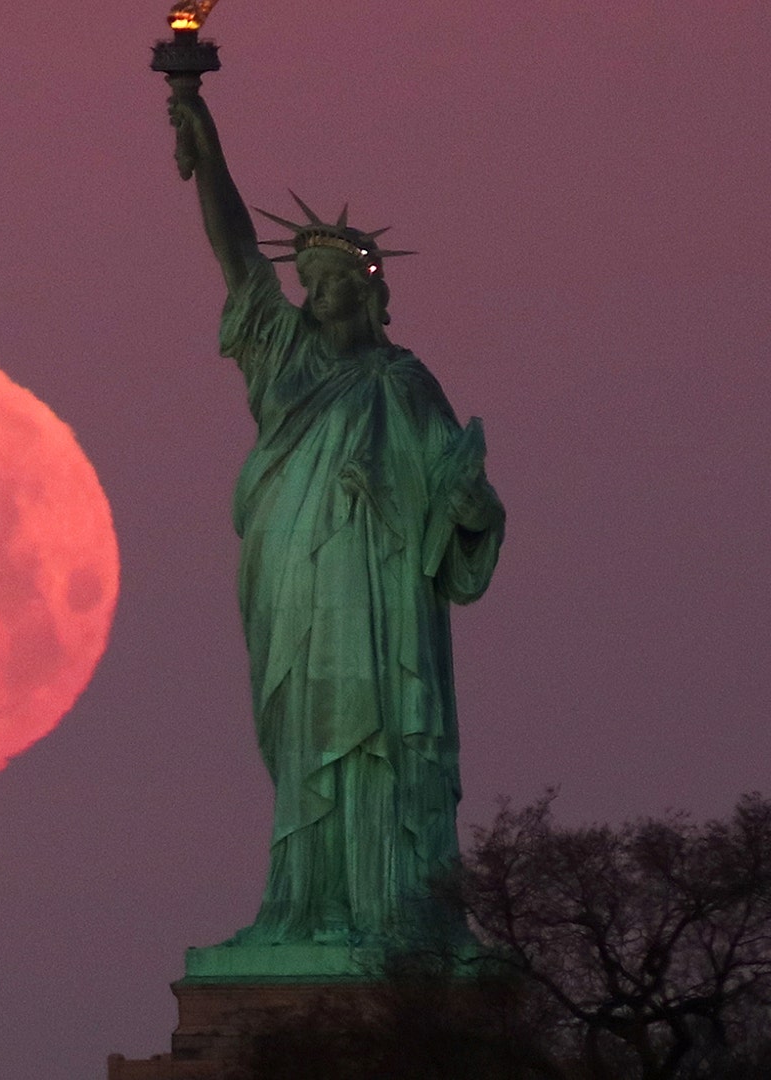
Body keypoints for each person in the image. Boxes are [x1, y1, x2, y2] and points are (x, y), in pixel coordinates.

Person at [167, 79, 505, 955]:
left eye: (330, 282)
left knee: (385, 729)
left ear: (368, 293)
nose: (314, 292)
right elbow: (237, 252)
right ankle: (308, 902)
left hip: (382, 585)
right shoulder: (278, 349)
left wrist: (469, 506)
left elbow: (454, 491)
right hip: (293, 564)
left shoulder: (405, 381)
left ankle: (395, 909)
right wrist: (204, 134)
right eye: (306, 280)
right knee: (309, 723)